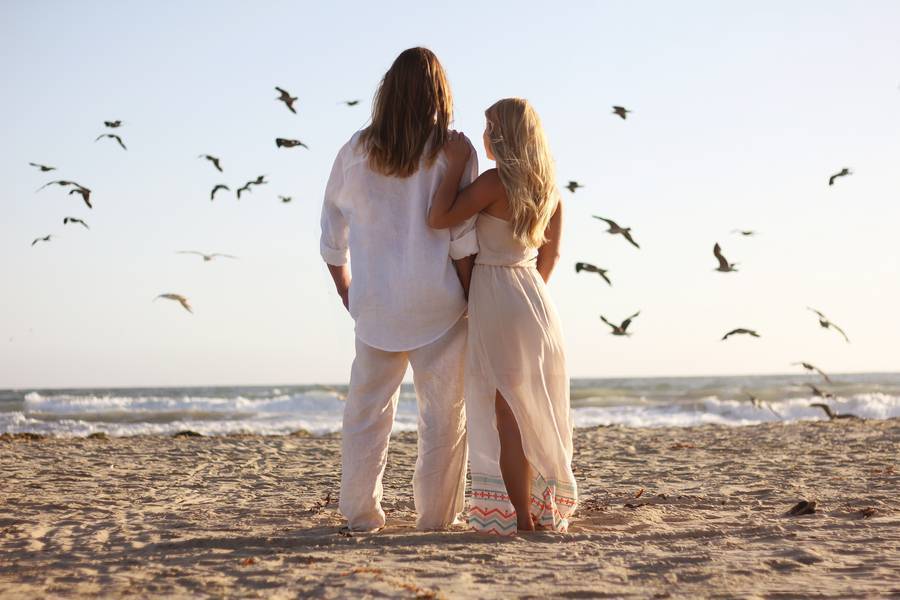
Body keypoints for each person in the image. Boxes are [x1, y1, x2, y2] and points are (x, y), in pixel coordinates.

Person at [319, 47, 479, 531]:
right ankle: (435, 518)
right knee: (444, 420)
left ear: (387, 91)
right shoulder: (452, 151)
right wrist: (473, 301)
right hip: (440, 304)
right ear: (440, 93)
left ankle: (362, 516)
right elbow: (461, 237)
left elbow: (331, 234)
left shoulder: (357, 150)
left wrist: (349, 292)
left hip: (376, 306)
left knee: (366, 415)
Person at [427, 98, 576, 534]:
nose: (484, 135)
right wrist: (523, 294)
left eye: (489, 127)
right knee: (535, 404)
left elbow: (438, 218)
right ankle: (542, 505)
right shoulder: (550, 191)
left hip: (496, 292)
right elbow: (552, 256)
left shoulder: (495, 182)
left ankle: (526, 521)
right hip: (535, 299)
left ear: (505, 135)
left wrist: (454, 164)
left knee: (508, 414)